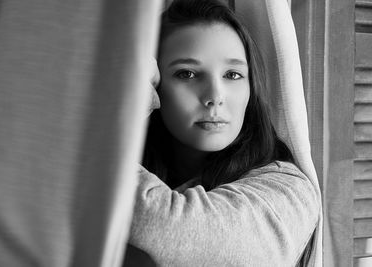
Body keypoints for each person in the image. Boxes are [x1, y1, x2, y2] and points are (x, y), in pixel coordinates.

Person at [126, 0, 320, 266]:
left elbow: (169, 229)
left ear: (251, 89)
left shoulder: (289, 191)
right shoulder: (139, 169)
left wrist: (120, 104)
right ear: (154, 85)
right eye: (188, 73)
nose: (215, 96)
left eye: (232, 74)